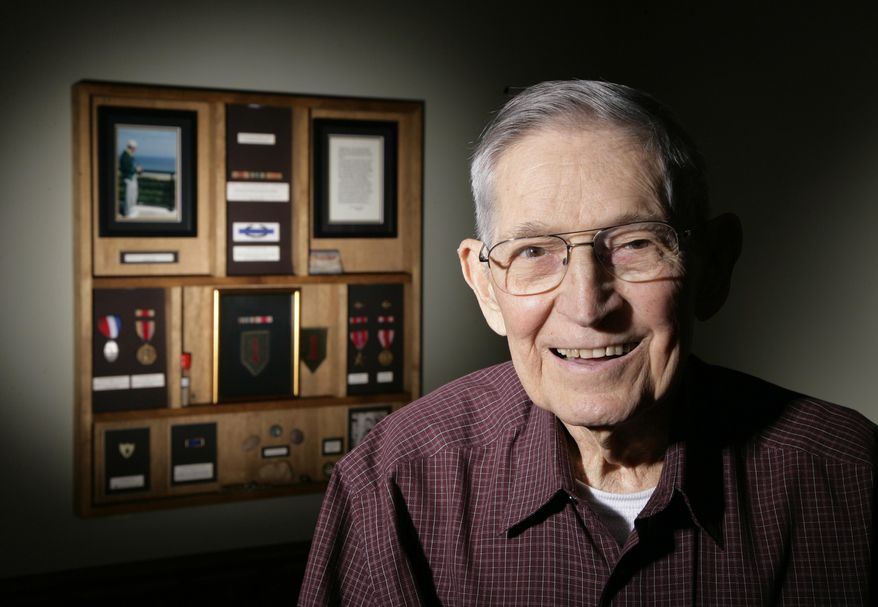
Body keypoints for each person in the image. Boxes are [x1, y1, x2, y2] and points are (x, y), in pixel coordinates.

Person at [299, 80, 876, 605]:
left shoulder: (849, 480)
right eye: (533, 251)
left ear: (714, 266)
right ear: (485, 285)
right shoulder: (395, 481)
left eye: (635, 244)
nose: (586, 306)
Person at [119, 139, 141, 217]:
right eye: (134, 148)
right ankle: (127, 212)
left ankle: (130, 210)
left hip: (131, 177)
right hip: (128, 178)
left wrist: (137, 169)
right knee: (128, 196)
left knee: (133, 195)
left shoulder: (129, 155)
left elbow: (132, 166)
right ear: (131, 147)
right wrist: (136, 169)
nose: (135, 150)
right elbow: (127, 168)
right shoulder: (125, 156)